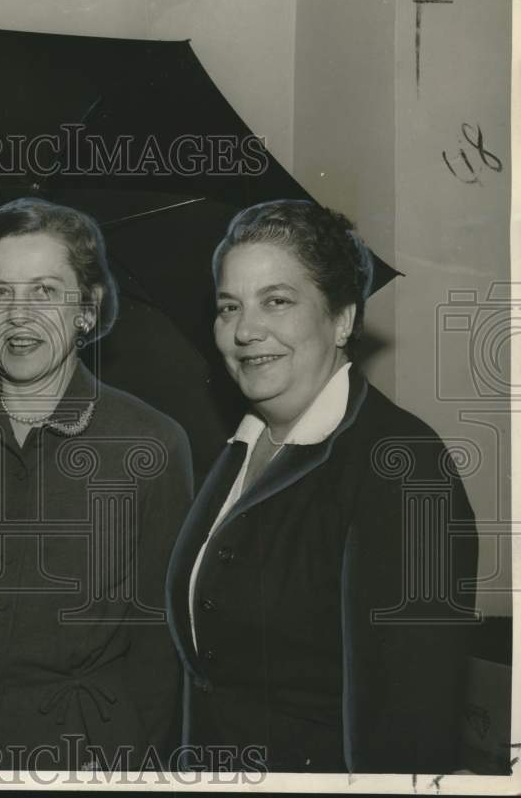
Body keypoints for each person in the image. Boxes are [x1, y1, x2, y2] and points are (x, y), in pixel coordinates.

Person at [0, 198, 194, 772]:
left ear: (88, 309)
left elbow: (159, 651)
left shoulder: (150, 443)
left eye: (45, 290)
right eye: (0, 291)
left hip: (87, 753)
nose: (19, 315)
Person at [166, 199, 479, 774]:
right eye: (228, 306)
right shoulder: (238, 448)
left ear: (341, 319)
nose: (244, 330)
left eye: (276, 302)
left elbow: (414, 724)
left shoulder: (403, 465)